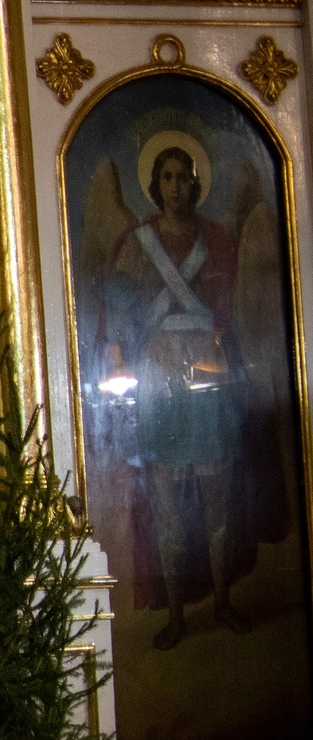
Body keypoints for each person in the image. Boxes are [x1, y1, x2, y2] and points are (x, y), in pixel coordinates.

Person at [100, 144, 247, 646]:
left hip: (208, 380)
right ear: (155, 185)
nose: (176, 186)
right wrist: (122, 361)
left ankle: (223, 602)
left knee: (217, 504)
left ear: (195, 183)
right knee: (166, 508)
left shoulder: (218, 240)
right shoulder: (139, 243)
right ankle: (178, 615)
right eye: (167, 177)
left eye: (184, 177)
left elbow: (228, 310)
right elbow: (117, 313)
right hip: (159, 383)